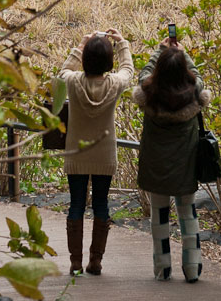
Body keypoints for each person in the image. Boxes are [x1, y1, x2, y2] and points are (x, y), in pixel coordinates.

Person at [133, 39, 211, 282]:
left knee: (159, 216)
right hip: (185, 165)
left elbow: (143, 74)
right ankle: (191, 268)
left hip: (157, 165)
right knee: (188, 214)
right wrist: (183, 54)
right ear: (184, 72)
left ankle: (163, 268)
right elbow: (198, 76)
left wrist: (160, 51)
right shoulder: (195, 93)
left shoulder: (149, 93)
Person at [58, 28, 133, 276]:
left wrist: (80, 45)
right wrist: (121, 43)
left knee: (76, 204)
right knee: (101, 204)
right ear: (108, 61)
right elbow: (128, 72)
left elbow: (61, 73)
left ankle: (75, 263)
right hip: (103, 155)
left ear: (86, 59)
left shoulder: (73, 82)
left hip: (77, 154)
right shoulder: (114, 84)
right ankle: (96, 261)